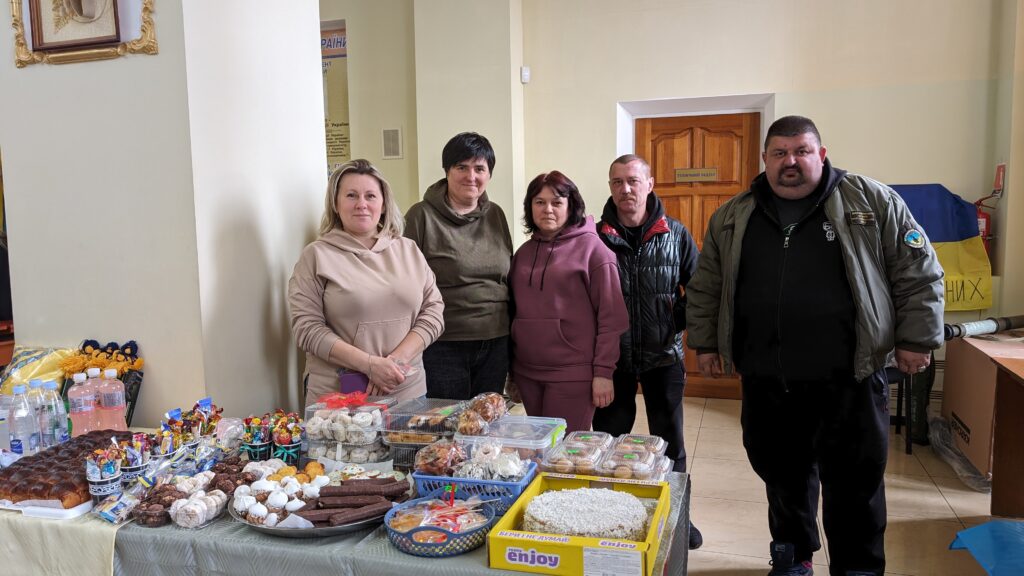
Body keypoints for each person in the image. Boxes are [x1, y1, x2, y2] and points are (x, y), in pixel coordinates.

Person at [686, 116, 944, 576]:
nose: (790, 161)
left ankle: (857, 567)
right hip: (767, 378)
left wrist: (917, 338)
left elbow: (918, 273)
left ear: (821, 155)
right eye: (780, 153)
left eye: (801, 151)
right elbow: (708, 284)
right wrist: (705, 342)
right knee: (781, 474)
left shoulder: (870, 200)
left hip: (850, 378)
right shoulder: (734, 214)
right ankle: (792, 555)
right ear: (765, 159)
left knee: (855, 481)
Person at [592, 153, 703, 549]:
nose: (626, 189)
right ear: (610, 187)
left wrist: (674, 321)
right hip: (613, 360)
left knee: (670, 442)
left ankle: (678, 515)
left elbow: (699, 287)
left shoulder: (675, 233)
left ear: (649, 184)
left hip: (663, 357)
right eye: (617, 182)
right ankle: (608, 514)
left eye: (633, 181)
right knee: (607, 443)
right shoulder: (595, 236)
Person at [289, 159, 445, 405]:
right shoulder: (316, 256)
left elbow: (434, 312)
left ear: (383, 204)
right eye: (351, 195)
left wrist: (394, 364)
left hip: (406, 392)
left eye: (370, 196)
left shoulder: (408, 250)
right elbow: (307, 328)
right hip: (340, 399)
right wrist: (369, 365)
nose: (361, 204)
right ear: (335, 204)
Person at [507, 171, 627, 432]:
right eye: (539, 202)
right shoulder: (523, 254)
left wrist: (603, 373)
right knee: (540, 447)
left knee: (565, 451)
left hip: (573, 375)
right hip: (527, 372)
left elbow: (612, 319)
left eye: (556, 202)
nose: (547, 209)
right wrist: (513, 373)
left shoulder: (595, 251)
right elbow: (515, 311)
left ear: (571, 206)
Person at [404, 133, 513, 400]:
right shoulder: (421, 216)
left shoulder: (496, 214)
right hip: (443, 343)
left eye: (479, 169)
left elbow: (507, 276)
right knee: (447, 420)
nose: (471, 176)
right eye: (461, 167)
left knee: (488, 419)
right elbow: (404, 281)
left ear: (489, 174)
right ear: (447, 171)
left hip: (496, 340)